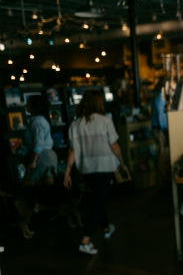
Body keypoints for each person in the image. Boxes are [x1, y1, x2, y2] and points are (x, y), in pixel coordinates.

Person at [63, 90, 126, 255]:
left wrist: (67, 171)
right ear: (98, 103)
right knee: (98, 201)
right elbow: (114, 146)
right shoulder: (106, 121)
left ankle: (106, 228)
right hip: (105, 167)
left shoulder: (75, 125)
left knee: (99, 198)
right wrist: (122, 161)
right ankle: (85, 240)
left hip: (86, 169)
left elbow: (72, 151)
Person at [17, 95, 57, 238]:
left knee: (27, 190)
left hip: (42, 157)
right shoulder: (41, 120)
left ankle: (25, 223)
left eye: (28, 103)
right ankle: (49, 221)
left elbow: (38, 144)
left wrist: (33, 162)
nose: (26, 106)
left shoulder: (36, 122)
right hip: (49, 156)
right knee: (48, 190)